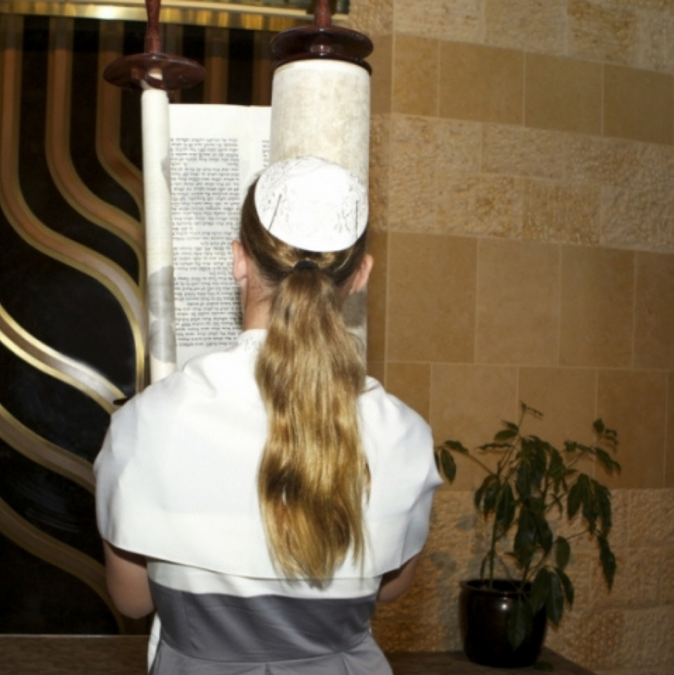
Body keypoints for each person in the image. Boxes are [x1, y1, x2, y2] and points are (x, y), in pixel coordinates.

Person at [94, 156, 441, 674]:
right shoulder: (406, 435)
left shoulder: (145, 425)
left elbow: (132, 600)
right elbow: (392, 589)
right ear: (360, 275)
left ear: (239, 259)